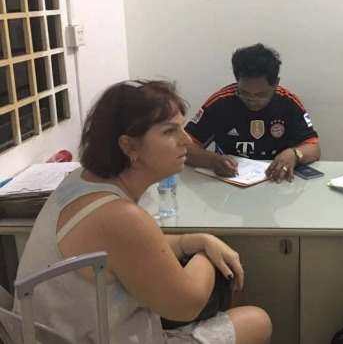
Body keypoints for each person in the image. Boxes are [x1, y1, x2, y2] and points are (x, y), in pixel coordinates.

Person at [13, 80, 272, 344]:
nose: (185, 140)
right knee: (257, 321)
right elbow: (188, 304)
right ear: (129, 146)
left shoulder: (80, 180)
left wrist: (197, 239)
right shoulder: (121, 217)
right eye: (170, 132)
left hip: (61, 334)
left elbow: (128, 250)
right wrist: (205, 254)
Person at [185, 43, 320, 183]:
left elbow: (314, 148)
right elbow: (185, 146)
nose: (252, 100)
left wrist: (295, 154)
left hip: (276, 182)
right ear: (237, 81)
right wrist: (213, 160)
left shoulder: (288, 103)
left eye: (261, 95)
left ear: (275, 84)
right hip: (229, 183)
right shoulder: (221, 102)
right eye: (244, 93)